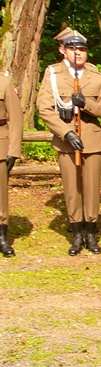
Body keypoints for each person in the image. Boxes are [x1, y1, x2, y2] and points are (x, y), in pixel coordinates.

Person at [37, 29, 101, 256]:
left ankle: (91, 233)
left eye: (82, 49)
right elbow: (44, 108)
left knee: (91, 188)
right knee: (72, 189)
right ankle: (76, 234)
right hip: (67, 142)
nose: (79, 53)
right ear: (62, 50)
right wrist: (65, 133)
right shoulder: (52, 75)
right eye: (73, 48)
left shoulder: (97, 77)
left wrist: (86, 105)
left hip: (91, 140)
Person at [0, 68, 23, 258]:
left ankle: (2, 237)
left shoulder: (4, 83)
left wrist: (13, 150)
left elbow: (15, 118)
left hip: (0, 143)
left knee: (0, 195)